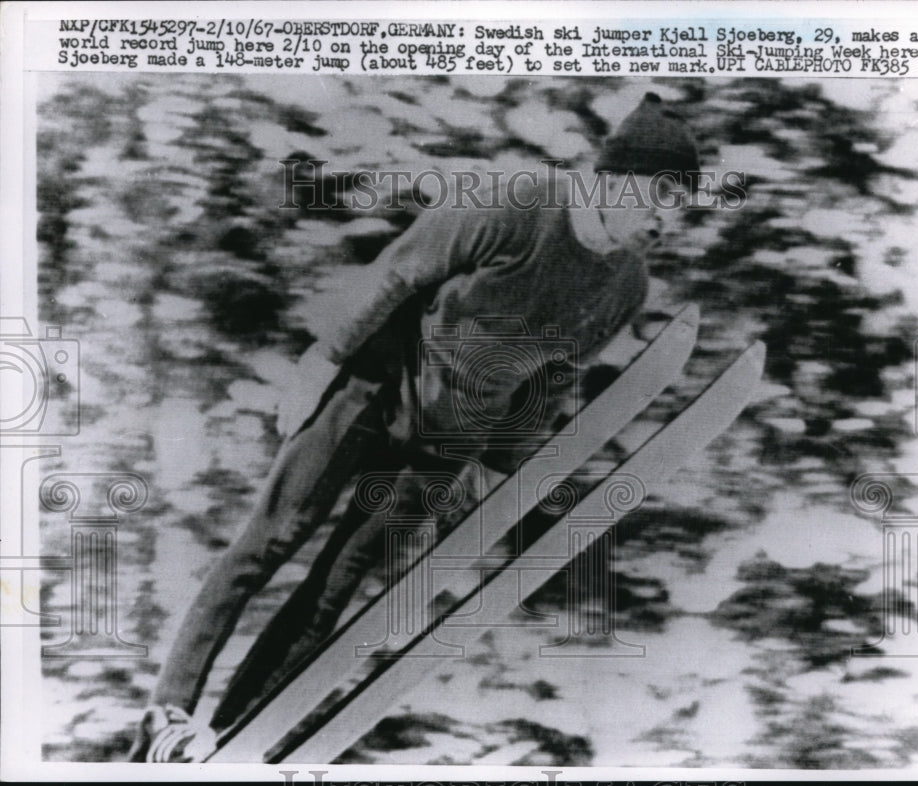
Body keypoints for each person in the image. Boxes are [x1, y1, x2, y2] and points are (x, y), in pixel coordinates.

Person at [128, 91, 700, 762]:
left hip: (447, 440)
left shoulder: (625, 286)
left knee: (333, 592)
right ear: (613, 176)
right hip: (373, 391)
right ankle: (167, 716)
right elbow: (397, 270)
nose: (669, 218)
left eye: (682, 206)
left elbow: (550, 381)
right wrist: (322, 363)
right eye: (660, 195)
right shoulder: (514, 205)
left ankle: (228, 738)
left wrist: (498, 469)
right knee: (269, 544)